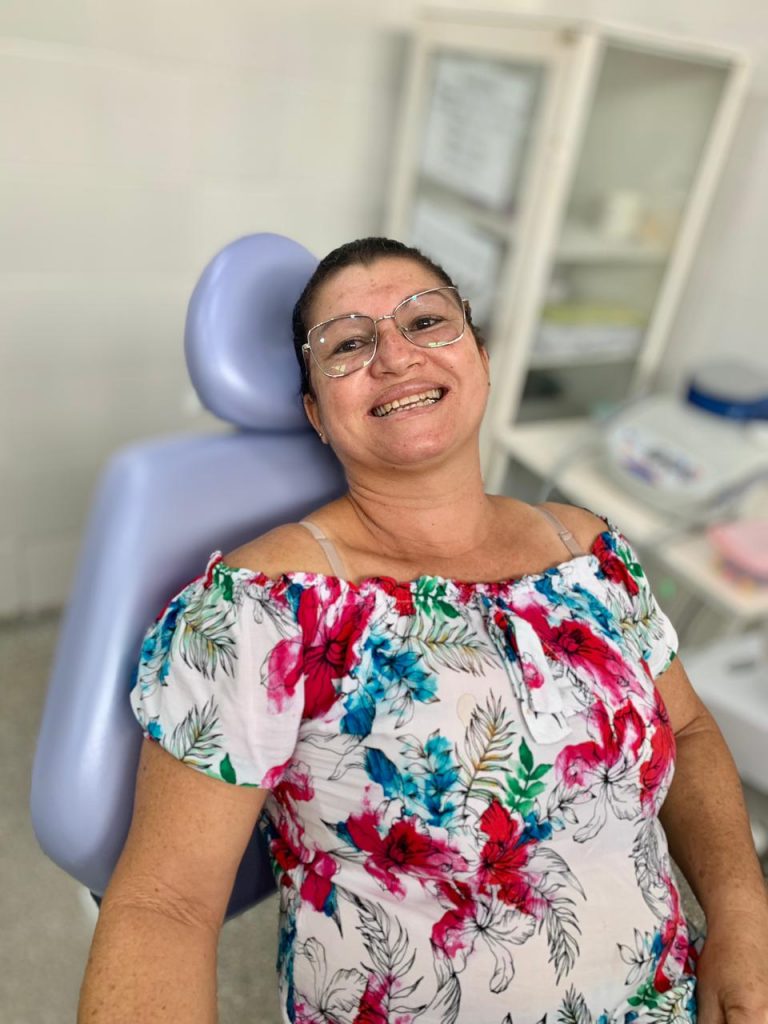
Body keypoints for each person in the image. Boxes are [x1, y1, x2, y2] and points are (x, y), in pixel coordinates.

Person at [79, 238, 768, 1024]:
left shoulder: (588, 550)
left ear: (480, 357)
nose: (396, 355)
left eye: (427, 321)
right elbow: (164, 908)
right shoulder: (259, 610)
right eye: (347, 344)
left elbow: (689, 728)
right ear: (317, 413)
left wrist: (743, 919)